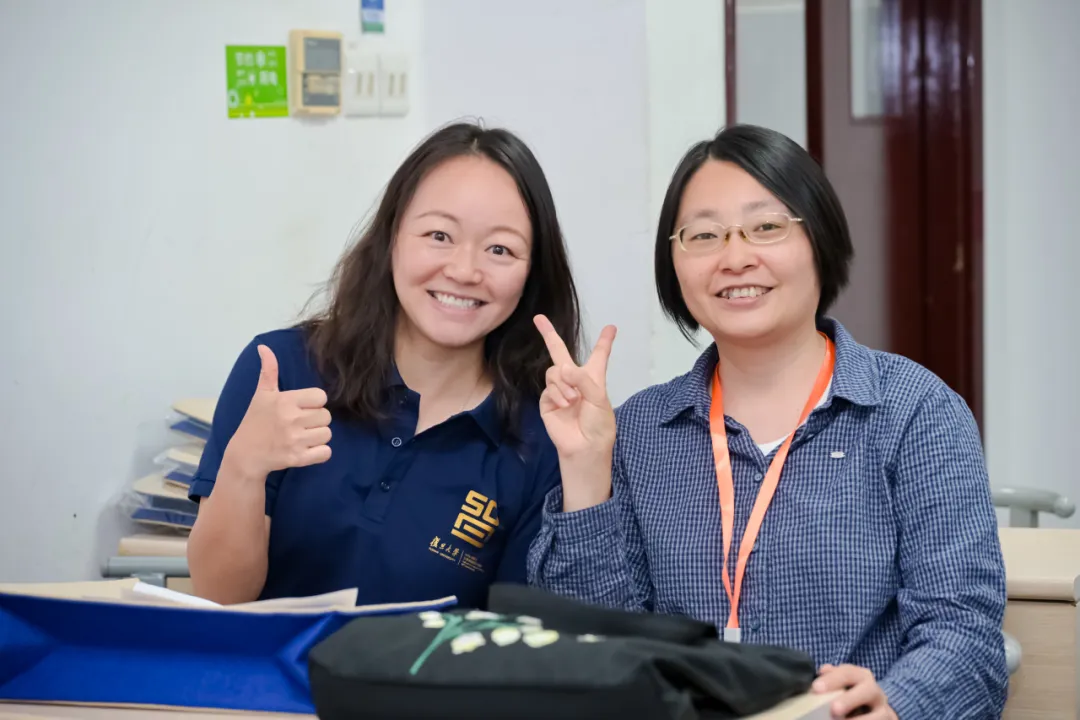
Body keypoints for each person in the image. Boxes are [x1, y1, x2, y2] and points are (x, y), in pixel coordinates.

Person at [528, 125, 1007, 719]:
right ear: (674, 263)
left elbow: (964, 632)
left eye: (766, 227)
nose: (735, 258)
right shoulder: (640, 430)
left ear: (819, 239)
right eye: (704, 235)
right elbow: (597, 649)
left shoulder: (914, 412)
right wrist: (584, 469)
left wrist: (897, 705)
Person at [186, 121, 582, 609]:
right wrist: (243, 469)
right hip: (271, 662)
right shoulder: (281, 371)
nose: (464, 270)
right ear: (392, 236)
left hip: (429, 664)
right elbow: (219, 596)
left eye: (500, 249)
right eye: (439, 235)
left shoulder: (542, 439)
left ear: (532, 271)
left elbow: (514, 635)